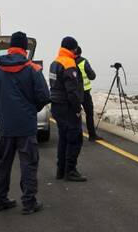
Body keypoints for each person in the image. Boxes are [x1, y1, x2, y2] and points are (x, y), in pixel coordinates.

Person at [0, 31, 50, 215]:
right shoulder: (32, 69)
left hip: (5, 125)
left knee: (3, 163)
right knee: (28, 163)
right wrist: (32, 109)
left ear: (10, 46)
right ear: (24, 48)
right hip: (26, 125)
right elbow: (44, 96)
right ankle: (29, 203)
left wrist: (3, 108)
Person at [49, 36, 87, 182]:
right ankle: (70, 170)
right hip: (67, 107)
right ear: (73, 48)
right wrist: (77, 108)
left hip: (56, 106)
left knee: (63, 138)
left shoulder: (54, 63)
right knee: (76, 138)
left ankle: (61, 170)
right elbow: (72, 91)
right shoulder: (69, 64)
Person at [75, 46, 103, 141]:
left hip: (74, 92)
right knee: (89, 113)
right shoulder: (83, 62)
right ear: (80, 52)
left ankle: (77, 136)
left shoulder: (69, 62)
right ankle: (92, 135)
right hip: (85, 92)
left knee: (76, 114)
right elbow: (92, 76)